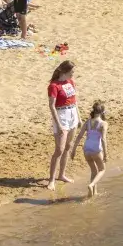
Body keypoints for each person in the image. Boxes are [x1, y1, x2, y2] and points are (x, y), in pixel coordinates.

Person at [47, 60, 78, 190]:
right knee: (59, 149)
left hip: (72, 114)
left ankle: (62, 175)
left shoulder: (71, 82)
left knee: (68, 146)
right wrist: (59, 125)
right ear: (65, 71)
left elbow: (75, 101)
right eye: (71, 72)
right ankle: (52, 180)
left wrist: (79, 117)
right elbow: (52, 106)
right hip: (61, 116)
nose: (73, 74)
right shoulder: (54, 86)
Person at [73, 100, 108, 197]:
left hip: (86, 149)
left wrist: (73, 150)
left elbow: (79, 136)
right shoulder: (103, 123)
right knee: (102, 170)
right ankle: (91, 185)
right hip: (96, 149)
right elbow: (103, 139)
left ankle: (93, 193)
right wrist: (106, 154)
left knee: (94, 171)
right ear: (102, 112)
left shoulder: (87, 122)